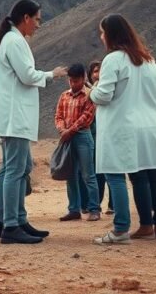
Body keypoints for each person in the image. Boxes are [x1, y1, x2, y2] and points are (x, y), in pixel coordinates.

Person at [0, 0, 67, 245]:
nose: (39, 25)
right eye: (38, 19)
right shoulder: (15, 41)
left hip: (12, 115)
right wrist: (52, 74)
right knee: (15, 169)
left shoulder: (11, 40)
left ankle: (9, 219)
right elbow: (28, 75)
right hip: (15, 116)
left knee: (16, 168)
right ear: (26, 18)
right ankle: (11, 224)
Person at [88, 14, 156, 244]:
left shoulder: (113, 60)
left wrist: (91, 91)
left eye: (102, 32)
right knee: (153, 175)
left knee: (115, 175)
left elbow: (104, 95)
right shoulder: (150, 61)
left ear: (111, 34)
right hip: (152, 127)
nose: (101, 36)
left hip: (122, 129)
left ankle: (120, 229)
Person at [55, 63, 101, 222]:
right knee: (71, 174)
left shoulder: (89, 95)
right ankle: (73, 209)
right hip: (68, 138)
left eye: (76, 81)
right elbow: (59, 116)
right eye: (71, 81)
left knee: (88, 174)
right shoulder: (64, 96)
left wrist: (69, 131)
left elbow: (87, 116)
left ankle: (94, 208)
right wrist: (62, 130)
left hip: (82, 136)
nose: (73, 84)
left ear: (83, 79)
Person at [85, 60, 113, 215]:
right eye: (95, 71)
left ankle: (113, 204)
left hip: (109, 134)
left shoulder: (108, 90)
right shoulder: (87, 92)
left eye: (101, 71)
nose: (98, 75)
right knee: (97, 172)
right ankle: (96, 203)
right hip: (93, 135)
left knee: (113, 171)